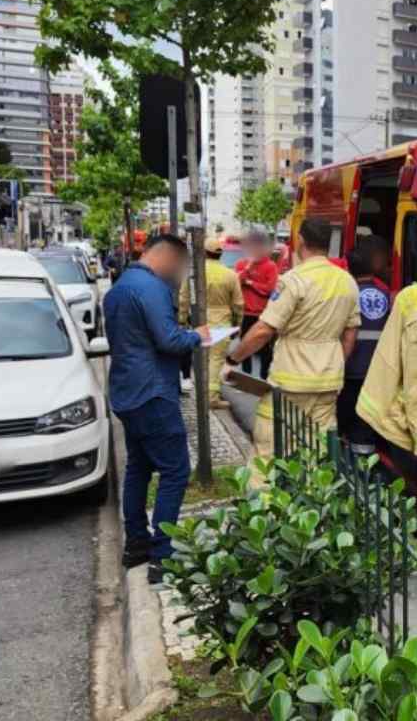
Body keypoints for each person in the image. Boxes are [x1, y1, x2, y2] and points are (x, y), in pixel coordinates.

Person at [102, 234, 210, 584]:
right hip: (153, 393)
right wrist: (200, 335)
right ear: (168, 258)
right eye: (179, 266)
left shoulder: (120, 286)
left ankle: (136, 544)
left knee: (139, 468)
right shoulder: (152, 289)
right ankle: (163, 557)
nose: (179, 273)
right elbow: (169, 340)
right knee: (176, 471)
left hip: (125, 391)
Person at [227, 218, 360, 456]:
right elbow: (350, 333)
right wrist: (336, 362)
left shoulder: (293, 280)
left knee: (269, 449)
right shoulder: (347, 281)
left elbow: (263, 331)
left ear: (300, 241)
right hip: (328, 380)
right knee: (317, 451)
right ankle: (312, 493)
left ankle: (264, 493)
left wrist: (233, 359)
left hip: (291, 381)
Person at [338, 236, 391, 455]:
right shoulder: (387, 295)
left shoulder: (347, 295)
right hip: (377, 371)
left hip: (350, 369)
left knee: (344, 419)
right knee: (365, 422)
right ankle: (365, 467)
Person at [180, 237, 244, 408]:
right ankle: (212, 398)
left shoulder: (193, 273)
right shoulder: (230, 275)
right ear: (220, 254)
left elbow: (183, 299)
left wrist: (181, 320)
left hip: (199, 323)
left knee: (201, 360)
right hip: (222, 323)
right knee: (216, 360)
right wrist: (238, 323)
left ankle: (202, 396)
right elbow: (238, 304)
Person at [234, 230, 279, 378]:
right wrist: (248, 267)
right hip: (245, 312)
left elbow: (269, 289)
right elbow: (237, 282)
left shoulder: (270, 266)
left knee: (265, 347)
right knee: (244, 345)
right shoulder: (242, 264)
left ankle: (264, 377)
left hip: (263, 313)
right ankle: (246, 378)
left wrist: (251, 283)